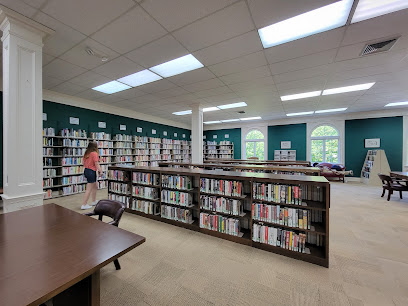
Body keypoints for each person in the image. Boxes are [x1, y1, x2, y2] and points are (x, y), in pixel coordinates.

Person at [81, 142, 102, 210]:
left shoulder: (86, 153)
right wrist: (100, 171)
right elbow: (96, 164)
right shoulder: (94, 153)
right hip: (91, 171)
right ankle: (84, 204)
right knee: (89, 189)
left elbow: (83, 163)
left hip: (86, 170)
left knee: (95, 185)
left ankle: (94, 201)